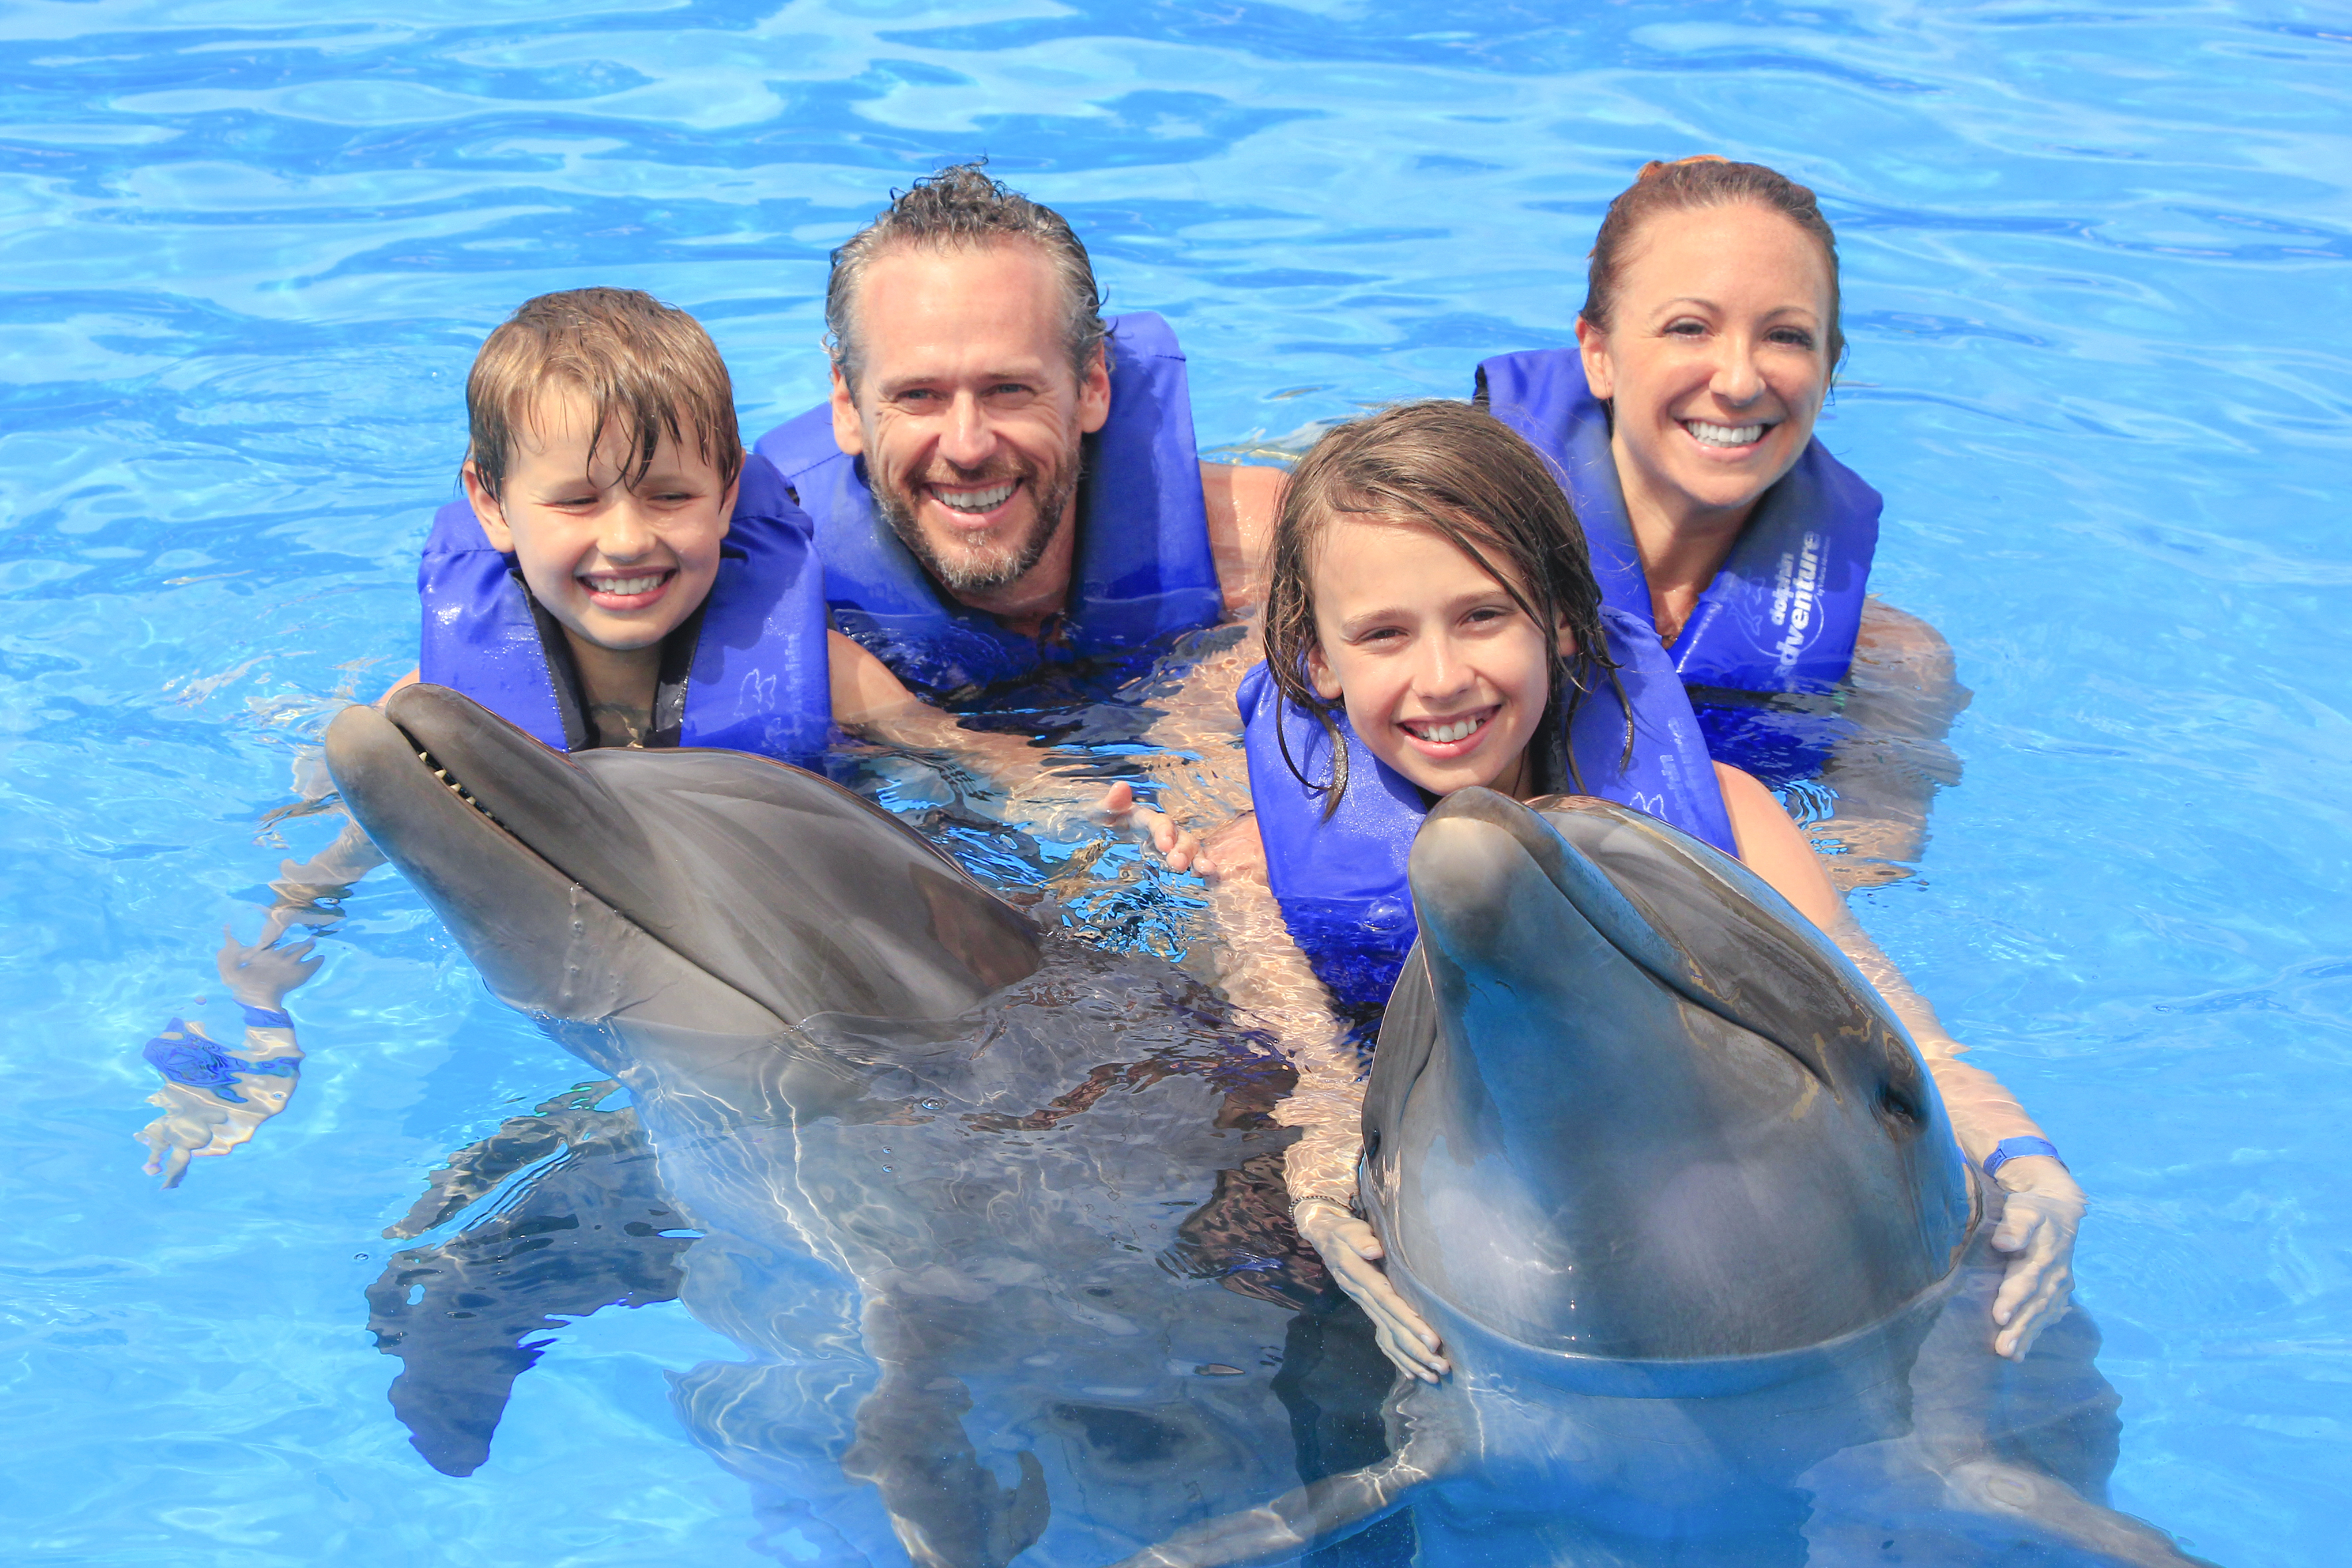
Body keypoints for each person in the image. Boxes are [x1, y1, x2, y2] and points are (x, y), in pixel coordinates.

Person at [1115, 403, 2082, 1385]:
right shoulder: (1261, 871)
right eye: (1384, 634)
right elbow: (1315, 1088)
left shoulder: (1733, 817)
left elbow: (1901, 1036)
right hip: (1450, 1189)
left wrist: (2023, 1159)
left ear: (1565, 620)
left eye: (1483, 615)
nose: (1441, 678)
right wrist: (1323, 1200)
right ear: (1318, 660)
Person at [264, 287, 1042, 935]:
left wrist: (1072, 805)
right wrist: (269, 967)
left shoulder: (831, 675)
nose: (628, 540)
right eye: (576, 502)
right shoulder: (447, 708)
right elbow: (349, 848)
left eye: (670, 496)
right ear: (491, 504)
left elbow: (962, 754)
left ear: (728, 494)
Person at [1474, 155, 1962, 878]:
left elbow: (1864, 859)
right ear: (1598, 354)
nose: (1738, 382)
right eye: (1689, 327)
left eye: (1786, 336)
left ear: (1829, 367)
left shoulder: (1890, 664)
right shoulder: (1426, 568)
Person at [754, 163, 1284, 703]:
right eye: (918, 395)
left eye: (1008, 389)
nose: (967, 447)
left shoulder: (1266, 552)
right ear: (847, 406)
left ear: (1092, 386)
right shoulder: (774, 591)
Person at [135, 927, 319, 1186]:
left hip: (206, 1065)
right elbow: (278, 1062)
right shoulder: (258, 1091)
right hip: (221, 1068)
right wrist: (260, 994)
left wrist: (259, 994)